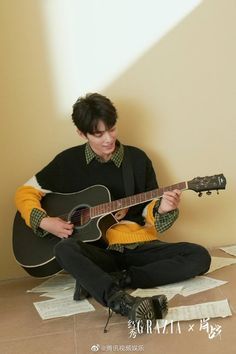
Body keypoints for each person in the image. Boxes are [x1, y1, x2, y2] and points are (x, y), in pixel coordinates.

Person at [15, 93, 211, 331]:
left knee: (199, 256)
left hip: (136, 246)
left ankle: (118, 280)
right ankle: (124, 304)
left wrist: (162, 208)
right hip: (99, 253)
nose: (108, 139)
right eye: (98, 134)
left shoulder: (137, 160)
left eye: (112, 129)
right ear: (82, 133)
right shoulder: (68, 162)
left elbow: (148, 209)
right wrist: (44, 222)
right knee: (64, 248)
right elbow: (25, 192)